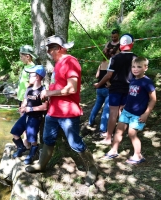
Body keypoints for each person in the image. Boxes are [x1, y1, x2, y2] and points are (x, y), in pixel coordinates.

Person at [25, 35, 97, 187]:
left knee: (75, 143)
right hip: (53, 111)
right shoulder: (58, 64)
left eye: (53, 47)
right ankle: (41, 166)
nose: (49, 51)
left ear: (62, 48)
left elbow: (71, 88)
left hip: (68, 113)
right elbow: (58, 86)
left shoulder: (70, 61)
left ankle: (92, 169)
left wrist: (49, 93)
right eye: (49, 48)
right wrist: (47, 95)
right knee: (48, 140)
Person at [103, 57, 156, 164]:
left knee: (132, 134)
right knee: (119, 130)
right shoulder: (132, 80)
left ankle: (138, 155)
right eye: (133, 67)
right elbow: (132, 94)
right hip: (127, 111)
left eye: (139, 67)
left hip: (138, 114)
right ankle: (113, 150)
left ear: (145, 68)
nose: (135, 69)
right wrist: (126, 104)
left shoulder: (147, 82)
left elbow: (153, 99)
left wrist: (146, 114)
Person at [94, 33, 137, 145]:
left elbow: (108, 75)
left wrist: (99, 85)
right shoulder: (136, 59)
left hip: (115, 89)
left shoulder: (114, 58)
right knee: (124, 112)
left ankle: (108, 138)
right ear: (132, 44)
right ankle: (120, 136)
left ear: (121, 46)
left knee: (113, 112)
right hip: (129, 89)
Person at [11, 65, 48, 165]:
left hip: (35, 118)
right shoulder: (29, 89)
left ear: (37, 77)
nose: (28, 77)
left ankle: (32, 154)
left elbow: (45, 107)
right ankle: (21, 147)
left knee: (32, 138)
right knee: (15, 132)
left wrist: (30, 108)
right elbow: (25, 101)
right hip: (26, 116)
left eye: (30, 75)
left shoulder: (43, 91)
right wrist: (22, 108)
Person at [17, 45, 37, 149]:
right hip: (21, 99)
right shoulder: (26, 67)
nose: (20, 58)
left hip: (26, 100)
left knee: (26, 121)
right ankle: (26, 141)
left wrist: (26, 102)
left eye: (21, 56)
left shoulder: (33, 69)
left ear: (28, 56)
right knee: (23, 120)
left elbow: (32, 86)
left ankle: (28, 143)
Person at [88, 53, 111, 136]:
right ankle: (102, 130)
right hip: (107, 88)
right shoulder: (110, 63)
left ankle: (90, 122)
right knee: (106, 109)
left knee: (97, 106)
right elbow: (110, 75)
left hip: (99, 88)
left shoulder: (101, 64)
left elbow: (97, 75)